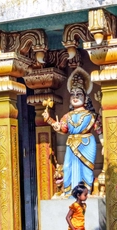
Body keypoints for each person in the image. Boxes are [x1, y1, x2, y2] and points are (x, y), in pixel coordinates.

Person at [42, 67, 102, 195]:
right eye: (73, 95)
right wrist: (49, 120)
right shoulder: (67, 116)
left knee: (86, 169)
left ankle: (85, 192)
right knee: (68, 168)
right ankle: (69, 192)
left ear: (85, 98)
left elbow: (99, 129)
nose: (75, 97)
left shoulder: (91, 115)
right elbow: (62, 128)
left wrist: (104, 144)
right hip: (71, 144)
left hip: (86, 144)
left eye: (79, 94)